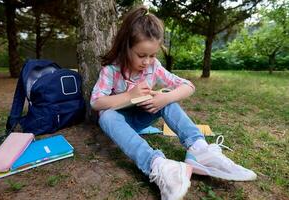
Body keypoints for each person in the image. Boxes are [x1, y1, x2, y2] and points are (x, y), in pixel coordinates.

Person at [90, 5, 257, 200]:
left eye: (152, 55)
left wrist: (165, 97)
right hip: (120, 124)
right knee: (106, 116)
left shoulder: (154, 67)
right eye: (141, 55)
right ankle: (158, 165)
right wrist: (129, 95)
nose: (147, 62)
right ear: (126, 47)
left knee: (167, 96)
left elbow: (188, 86)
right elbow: (96, 102)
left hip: (142, 116)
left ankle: (200, 151)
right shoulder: (112, 70)